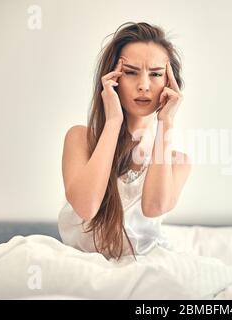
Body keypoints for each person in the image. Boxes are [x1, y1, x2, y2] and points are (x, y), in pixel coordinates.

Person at [58, 22, 191, 261]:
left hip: (145, 268)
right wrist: (112, 122)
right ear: (112, 79)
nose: (143, 85)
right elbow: (86, 206)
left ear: (171, 84)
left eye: (156, 74)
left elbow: (154, 207)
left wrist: (166, 123)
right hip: (82, 268)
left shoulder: (177, 161)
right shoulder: (80, 138)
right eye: (130, 72)